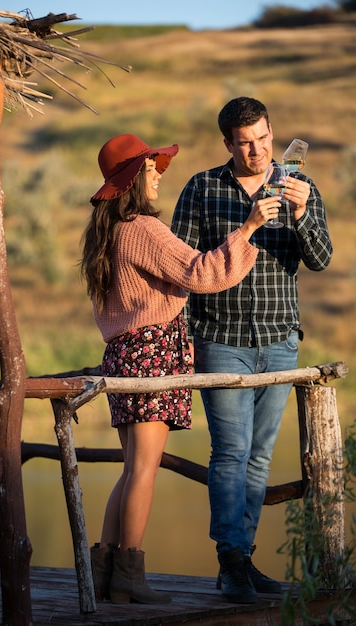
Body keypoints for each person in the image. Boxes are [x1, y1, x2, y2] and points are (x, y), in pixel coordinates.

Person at [80, 133, 270, 605]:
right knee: (144, 470)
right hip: (152, 354)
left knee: (130, 470)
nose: (159, 178)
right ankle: (129, 572)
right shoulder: (142, 229)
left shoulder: (106, 233)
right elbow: (202, 272)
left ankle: (104, 575)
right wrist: (247, 229)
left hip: (125, 355)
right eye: (151, 171)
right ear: (131, 182)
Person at [171, 97, 333, 604]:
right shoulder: (203, 187)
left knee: (259, 457)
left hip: (281, 340)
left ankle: (242, 559)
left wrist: (302, 213)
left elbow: (322, 259)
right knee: (231, 453)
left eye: (264, 138)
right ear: (227, 144)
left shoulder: (298, 188)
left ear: (271, 133)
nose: (258, 150)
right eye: (245, 143)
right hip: (221, 339)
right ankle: (231, 560)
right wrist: (249, 225)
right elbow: (181, 263)